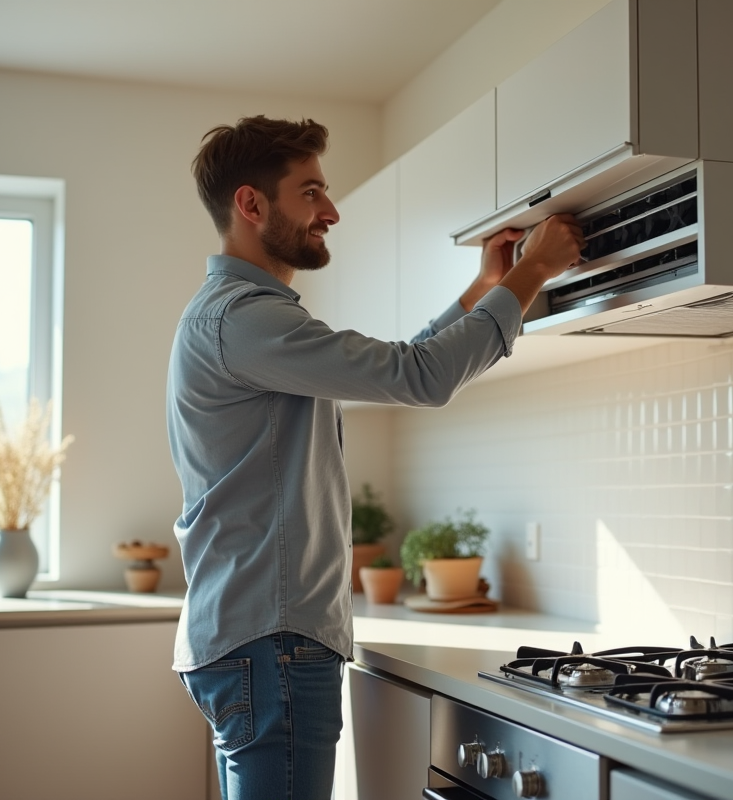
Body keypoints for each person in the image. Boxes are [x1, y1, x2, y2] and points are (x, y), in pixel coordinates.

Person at [166, 114, 584, 800]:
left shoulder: (242, 318)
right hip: (271, 644)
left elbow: (401, 363)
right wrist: (536, 268)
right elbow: (419, 376)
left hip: (252, 641)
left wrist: (486, 289)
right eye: (311, 193)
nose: (331, 212)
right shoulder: (245, 319)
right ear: (251, 204)